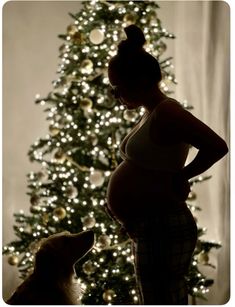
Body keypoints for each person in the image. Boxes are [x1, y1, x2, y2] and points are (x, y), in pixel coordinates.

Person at [106, 25, 228, 305]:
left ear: (139, 81)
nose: (116, 95)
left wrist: (183, 176)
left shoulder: (168, 111)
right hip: (151, 224)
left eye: (118, 88)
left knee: (163, 299)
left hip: (165, 225)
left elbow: (217, 146)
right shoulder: (150, 113)